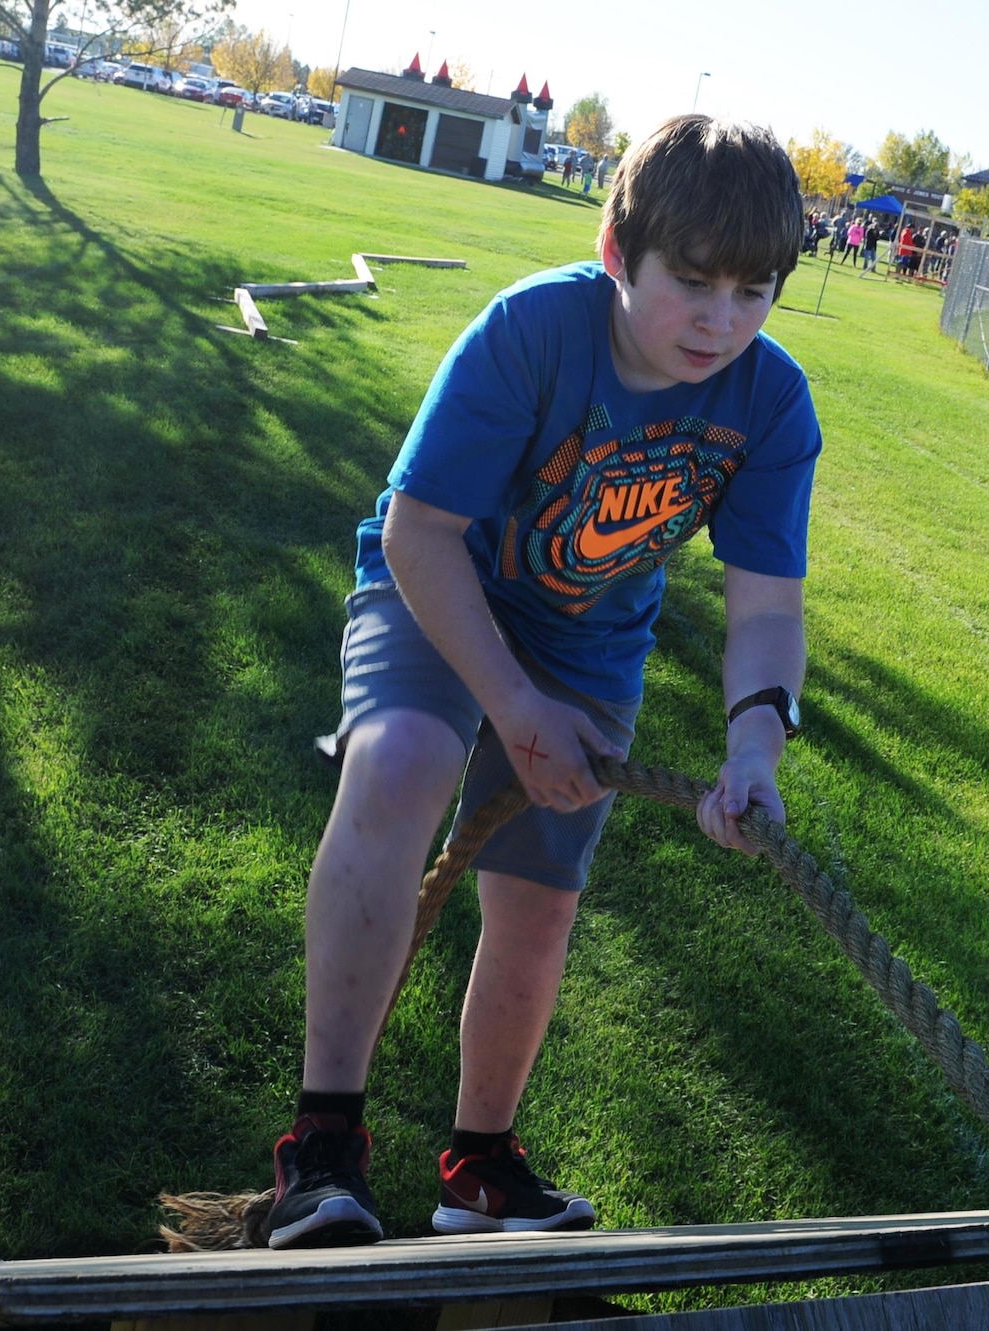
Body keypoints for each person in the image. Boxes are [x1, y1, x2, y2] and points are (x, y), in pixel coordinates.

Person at [266, 114, 820, 1250]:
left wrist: (753, 750)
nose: (721, 321)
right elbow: (419, 532)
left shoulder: (768, 404)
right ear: (619, 251)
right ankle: (321, 1147)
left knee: (535, 897)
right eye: (693, 281)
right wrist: (510, 707)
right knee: (406, 759)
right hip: (441, 581)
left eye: (754, 290)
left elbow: (765, 607)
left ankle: (478, 1163)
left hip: (589, 640)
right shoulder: (528, 331)